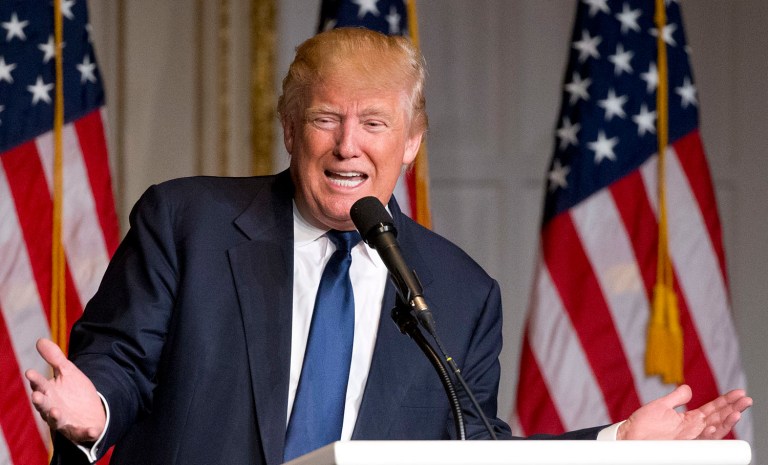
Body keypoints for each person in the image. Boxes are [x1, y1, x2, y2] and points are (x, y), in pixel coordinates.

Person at [26, 27, 750, 465]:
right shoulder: (188, 221)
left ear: (411, 142)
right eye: (325, 118)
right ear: (288, 126)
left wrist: (616, 442)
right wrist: (96, 416)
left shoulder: (460, 293)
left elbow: (474, 453)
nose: (348, 145)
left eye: (374, 122)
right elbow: (118, 364)